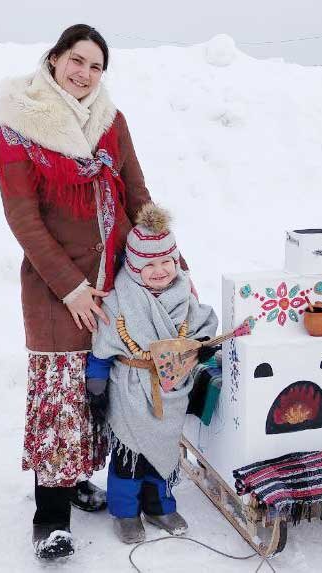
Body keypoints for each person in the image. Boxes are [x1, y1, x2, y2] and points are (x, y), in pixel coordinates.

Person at [0, 23, 165, 560]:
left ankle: (77, 480)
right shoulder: (19, 128)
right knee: (59, 400)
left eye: (95, 66)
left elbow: (137, 194)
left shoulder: (111, 123)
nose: (84, 74)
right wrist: (70, 288)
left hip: (115, 286)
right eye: (77, 60)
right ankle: (51, 515)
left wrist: (164, 255)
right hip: (55, 292)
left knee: (99, 394)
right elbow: (24, 220)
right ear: (54, 58)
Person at [86, 204, 218, 544]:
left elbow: (203, 324)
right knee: (129, 458)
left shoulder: (184, 293)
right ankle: (125, 513)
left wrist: (202, 344)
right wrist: (96, 383)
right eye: (149, 265)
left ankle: (160, 505)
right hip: (130, 388)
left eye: (166, 262)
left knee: (163, 451)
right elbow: (104, 343)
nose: (160, 271)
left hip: (171, 387)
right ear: (133, 266)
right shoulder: (120, 300)